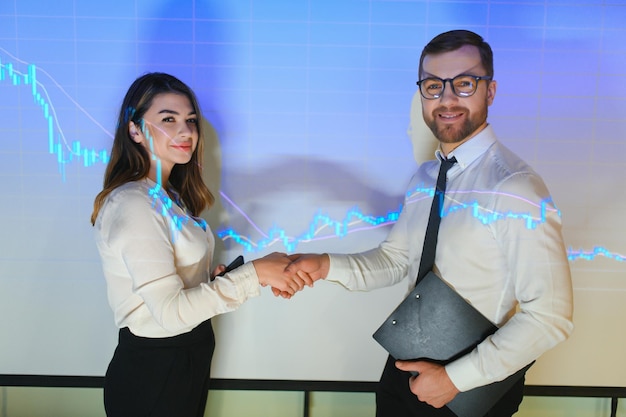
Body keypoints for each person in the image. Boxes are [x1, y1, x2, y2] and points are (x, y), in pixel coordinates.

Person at [285, 30, 574, 417]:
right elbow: (396, 260)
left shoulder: (515, 187)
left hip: (468, 392)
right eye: (434, 85)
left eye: (464, 83)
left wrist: (454, 379)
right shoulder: (426, 177)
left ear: (490, 91)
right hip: (403, 371)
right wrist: (324, 265)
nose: (447, 99)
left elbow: (550, 316)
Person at [90, 72, 308, 417]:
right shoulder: (134, 204)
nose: (186, 131)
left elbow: (177, 291)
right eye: (168, 119)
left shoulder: (167, 197)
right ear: (135, 131)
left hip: (184, 362)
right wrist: (254, 275)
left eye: (190, 120)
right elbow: (169, 313)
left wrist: (210, 281)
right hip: (155, 373)